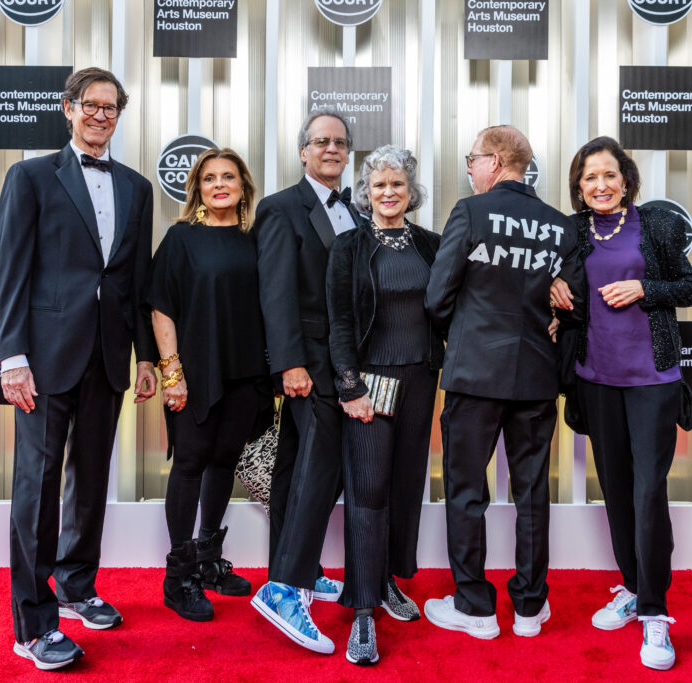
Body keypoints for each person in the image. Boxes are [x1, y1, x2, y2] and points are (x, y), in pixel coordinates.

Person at [0, 67, 157, 671]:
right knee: (36, 489)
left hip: (109, 358)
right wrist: (11, 359)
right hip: (43, 359)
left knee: (90, 481)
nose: (101, 115)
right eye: (91, 105)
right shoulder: (31, 176)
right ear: (68, 108)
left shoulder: (137, 188)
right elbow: (10, 273)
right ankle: (33, 626)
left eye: (112, 107)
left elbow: (136, 283)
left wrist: (148, 358)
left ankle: (77, 587)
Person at [550, 136, 692, 671]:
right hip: (595, 378)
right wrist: (553, 288)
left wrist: (645, 288)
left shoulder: (655, 226)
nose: (600, 185)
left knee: (647, 490)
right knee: (614, 488)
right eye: (589, 178)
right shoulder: (571, 233)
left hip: (653, 379)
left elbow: (691, 288)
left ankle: (657, 616)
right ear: (578, 187)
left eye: (609, 175)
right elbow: (557, 284)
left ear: (626, 179)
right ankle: (633, 588)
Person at [422, 125, 580, 641]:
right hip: (536, 375)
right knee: (533, 493)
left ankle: (474, 607)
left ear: (493, 161)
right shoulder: (561, 226)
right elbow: (570, 303)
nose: (469, 169)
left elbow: (437, 297)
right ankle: (531, 608)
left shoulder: (470, 212)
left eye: (472, 159)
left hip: (473, 376)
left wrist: (465, 337)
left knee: (467, 491)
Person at [251, 107, 363, 654]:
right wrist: (288, 362)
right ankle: (286, 587)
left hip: (342, 363)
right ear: (302, 151)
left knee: (297, 468)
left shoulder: (357, 214)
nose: (332, 150)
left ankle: (292, 567)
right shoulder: (280, 209)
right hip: (307, 365)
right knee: (318, 470)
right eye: (321, 142)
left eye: (340, 143)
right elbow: (274, 293)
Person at [326, 145, 442, 665]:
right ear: (365, 192)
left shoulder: (433, 245)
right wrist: (350, 387)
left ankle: (389, 579)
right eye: (378, 185)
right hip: (370, 383)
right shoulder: (348, 247)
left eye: (397, 184)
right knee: (367, 492)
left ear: (410, 191)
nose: (388, 193)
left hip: (421, 380)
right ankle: (364, 612)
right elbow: (339, 324)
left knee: (403, 486)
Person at [147, 148, 270, 622]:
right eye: (210, 178)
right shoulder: (181, 239)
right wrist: (172, 374)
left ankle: (208, 561)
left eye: (229, 177)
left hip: (245, 373)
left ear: (243, 186)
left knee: (224, 461)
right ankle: (178, 579)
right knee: (192, 463)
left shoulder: (256, 238)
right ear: (196, 187)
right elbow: (161, 306)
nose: (220, 185)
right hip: (196, 373)